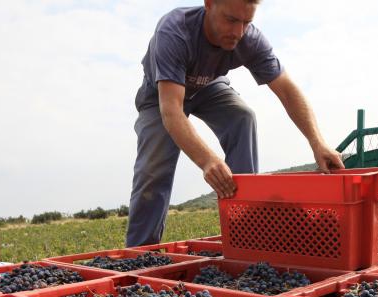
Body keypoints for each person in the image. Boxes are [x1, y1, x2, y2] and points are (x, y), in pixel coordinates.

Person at [126, 0, 344, 247]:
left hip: (209, 86)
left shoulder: (249, 39)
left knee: (243, 116)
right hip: (161, 95)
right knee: (153, 169)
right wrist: (208, 160)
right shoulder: (175, 30)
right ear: (209, 4)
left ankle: (245, 234)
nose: (239, 32)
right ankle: (140, 253)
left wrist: (317, 142)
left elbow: (286, 90)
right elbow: (172, 112)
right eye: (231, 20)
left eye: (246, 22)